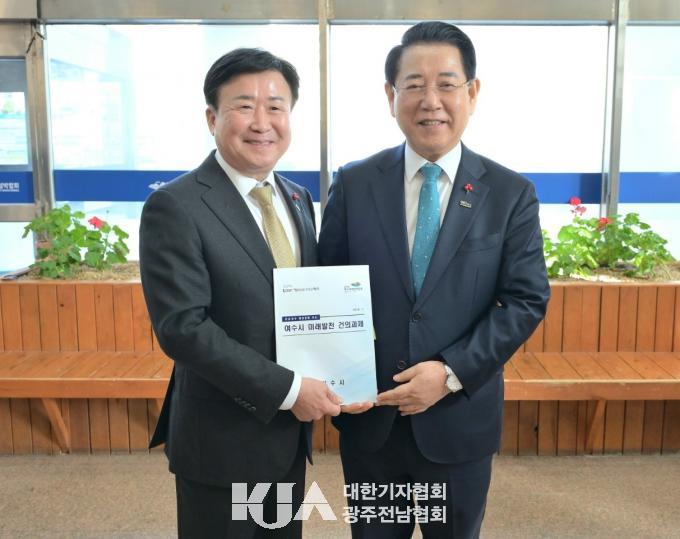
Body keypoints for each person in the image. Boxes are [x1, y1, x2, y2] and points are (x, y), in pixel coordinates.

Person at [319, 22, 550, 538]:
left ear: (472, 92)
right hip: (371, 417)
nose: (431, 101)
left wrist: (448, 373)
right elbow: (328, 285)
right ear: (390, 96)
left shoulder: (510, 193)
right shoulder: (354, 183)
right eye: (414, 85)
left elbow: (525, 299)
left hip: (458, 419)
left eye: (446, 84)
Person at [140, 47, 343, 538]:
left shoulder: (297, 198)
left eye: (276, 106)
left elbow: (306, 304)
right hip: (221, 440)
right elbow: (183, 328)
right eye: (244, 106)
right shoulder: (176, 205)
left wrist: (343, 372)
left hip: (287, 438)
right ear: (212, 118)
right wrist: (290, 390)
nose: (262, 122)